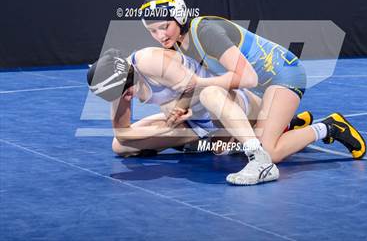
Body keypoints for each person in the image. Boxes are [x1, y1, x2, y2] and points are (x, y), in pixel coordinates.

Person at [140, 0, 367, 185]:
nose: (160, 35)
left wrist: (200, 84)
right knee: (223, 140)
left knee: (269, 152)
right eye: (153, 31)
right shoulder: (180, 43)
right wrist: (183, 106)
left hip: (282, 77)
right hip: (258, 89)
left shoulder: (205, 31)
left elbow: (246, 78)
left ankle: (330, 127)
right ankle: (289, 123)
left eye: (164, 26)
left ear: (179, 17)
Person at [87, 47, 313, 183]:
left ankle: (259, 151)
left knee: (209, 98)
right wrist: (168, 128)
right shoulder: (117, 85)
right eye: (119, 96)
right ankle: (277, 126)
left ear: (127, 74)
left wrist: (178, 112)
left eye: (125, 91)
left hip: (221, 104)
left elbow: (194, 86)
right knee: (120, 146)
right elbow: (122, 133)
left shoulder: (149, 61)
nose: (126, 98)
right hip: (192, 122)